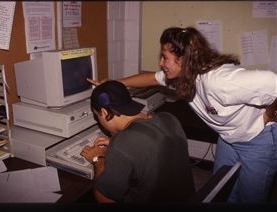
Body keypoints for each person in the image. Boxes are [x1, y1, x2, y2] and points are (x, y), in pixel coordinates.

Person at [87, 26, 277, 202]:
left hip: (258, 137)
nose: (161, 63)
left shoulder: (220, 81)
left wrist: (269, 113)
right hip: (229, 137)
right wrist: (114, 83)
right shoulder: (183, 75)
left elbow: (273, 83)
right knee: (221, 189)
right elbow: (152, 78)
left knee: (250, 198)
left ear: (184, 59)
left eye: (164, 57)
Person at [80, 80, 195, 203]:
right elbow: (151, 144)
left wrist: (98, 159)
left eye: (97, 115)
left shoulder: (124, 143)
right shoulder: (169, 118)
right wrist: (119, 144)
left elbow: (104, 199)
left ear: (104, 112)